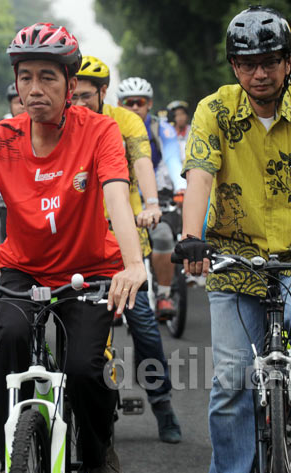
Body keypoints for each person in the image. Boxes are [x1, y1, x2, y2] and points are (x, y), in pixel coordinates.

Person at [0, 22, 146, 473]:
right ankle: (10, 461)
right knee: (7, 345)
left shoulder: (101, 131)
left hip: (90, 269)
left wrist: (133, 266)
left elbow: (117, 197)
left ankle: (99, 452)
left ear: (70, 85)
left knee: (84, 368)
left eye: (47, 77)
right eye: (25, 77)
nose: (35, 88)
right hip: (23, 270)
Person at [175, 7, 291, 473]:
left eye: (270, 61)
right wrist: (191, 237)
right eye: (247, 63)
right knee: (231, 381)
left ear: (288, 61)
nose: (259, 73)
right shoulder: (214, 110)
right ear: (234, 66)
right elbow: (200, 174)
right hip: (233, 257)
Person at [72, 54, 181, 443]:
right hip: (79, 243)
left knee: (145, 329)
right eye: (73, 95)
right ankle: (85, 411)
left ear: (104, 92)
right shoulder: (63, 122)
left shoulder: (126, 121)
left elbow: (142, 161)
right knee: (79, 336)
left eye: (86, 95)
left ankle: (162, 405)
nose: (78, 103)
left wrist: (150, 204)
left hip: (126, 240)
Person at [118, 77, 186, 318]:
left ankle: (164, 295)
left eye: (141, 102)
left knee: (164, 236)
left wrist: (181, 185)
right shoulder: (109, 125)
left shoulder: (162, 128)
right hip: (122, 195)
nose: (135, 107)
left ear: (149, 104)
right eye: (130, 102)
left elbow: (172, 158)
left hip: (157, 194)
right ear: (120, 104)